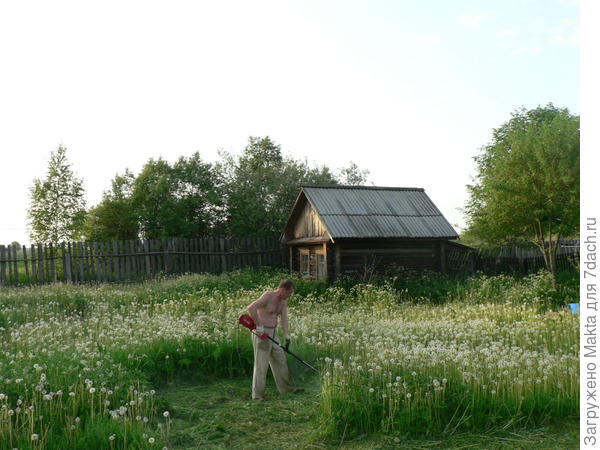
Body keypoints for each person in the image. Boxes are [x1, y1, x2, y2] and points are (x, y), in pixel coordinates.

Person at [247, 279, 303, 401]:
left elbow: (284, 319)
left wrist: (287, 334)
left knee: (280, 360)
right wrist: (259, 325)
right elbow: (251, 307)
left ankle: (286, 389)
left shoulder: (283, 302)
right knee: (261, 365)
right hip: (261, 334)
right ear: (282, 289)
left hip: (273, 334)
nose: (290, 295)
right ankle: (257, 396)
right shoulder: (268, 296)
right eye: (289, 292)